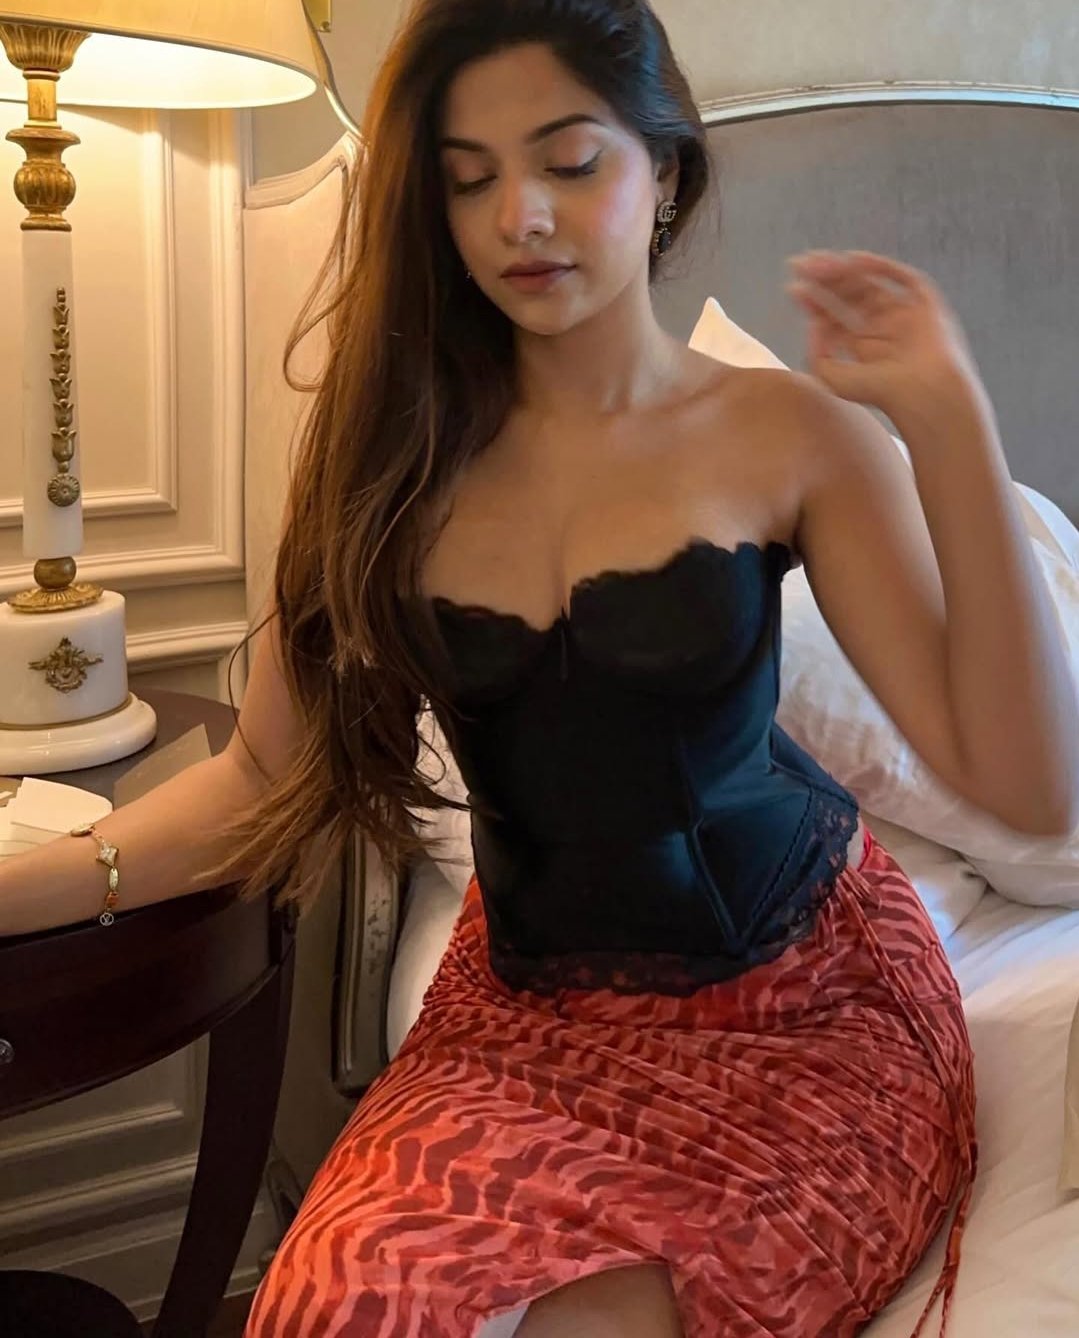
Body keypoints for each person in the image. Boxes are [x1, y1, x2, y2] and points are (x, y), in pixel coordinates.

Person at [3, 0, 1077, 1334]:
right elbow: (256, 783)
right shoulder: (386, 465)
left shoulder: (792, 437)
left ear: (665, 172)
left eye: (571, 161)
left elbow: (1033, 791)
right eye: (471, 179)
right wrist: (28, 889)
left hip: (805, 1009)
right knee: (332, 1308)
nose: (522, 216)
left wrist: (952, 423)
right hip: (526, 1021)